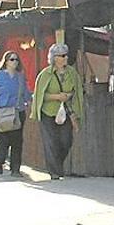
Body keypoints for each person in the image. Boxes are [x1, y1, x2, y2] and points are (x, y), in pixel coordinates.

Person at [30, 44, 83, 180]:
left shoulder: (72, 73)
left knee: (66, 141)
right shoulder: (45, 74)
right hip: (48, 112)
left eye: (66, 55)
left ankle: (57, 164)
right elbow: (40, 95)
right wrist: (56, 97)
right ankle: (54, 171)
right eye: (62, 56)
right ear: (55, 58)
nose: (65, 58)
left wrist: (68, 96)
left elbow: (77, 90)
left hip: (65, 111)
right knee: (51, 142)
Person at [0, 51, 31, 177]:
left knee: (17, 141)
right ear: (6, 61)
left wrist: (30, 102)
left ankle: (15, 169)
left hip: (17, 111)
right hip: (1, 111)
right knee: (2, 138)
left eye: (16, 60)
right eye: (12, 59)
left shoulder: (20, 77)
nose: (14, 62)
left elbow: (26, 93)